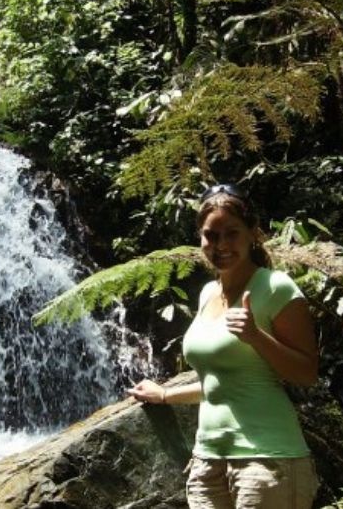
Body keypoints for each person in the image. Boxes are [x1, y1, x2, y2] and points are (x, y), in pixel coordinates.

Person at [127, 183, 320, 509]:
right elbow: (220, 384)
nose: (221, 245)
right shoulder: (206, 294)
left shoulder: (275, 287)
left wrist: (256, 337)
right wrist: (164, 396)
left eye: (231, 233)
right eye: (211, 235)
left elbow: (307, 373)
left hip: (267, 459)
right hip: (208, 460)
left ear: (252, 233)